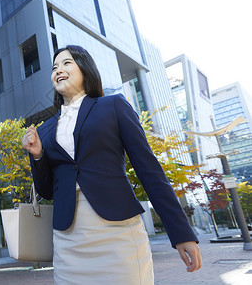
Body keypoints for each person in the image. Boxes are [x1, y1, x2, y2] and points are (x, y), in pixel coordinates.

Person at [22, 45, 202, 284]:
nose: (59, 70)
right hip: (68, 237)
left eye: (67, 63)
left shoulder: (114, 106)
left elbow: (149, 170)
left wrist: (181, 234)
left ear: (85, 69)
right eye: (54, 67)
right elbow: (45, 190)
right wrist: (37, 156)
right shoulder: (45, 129)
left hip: (118, 230)